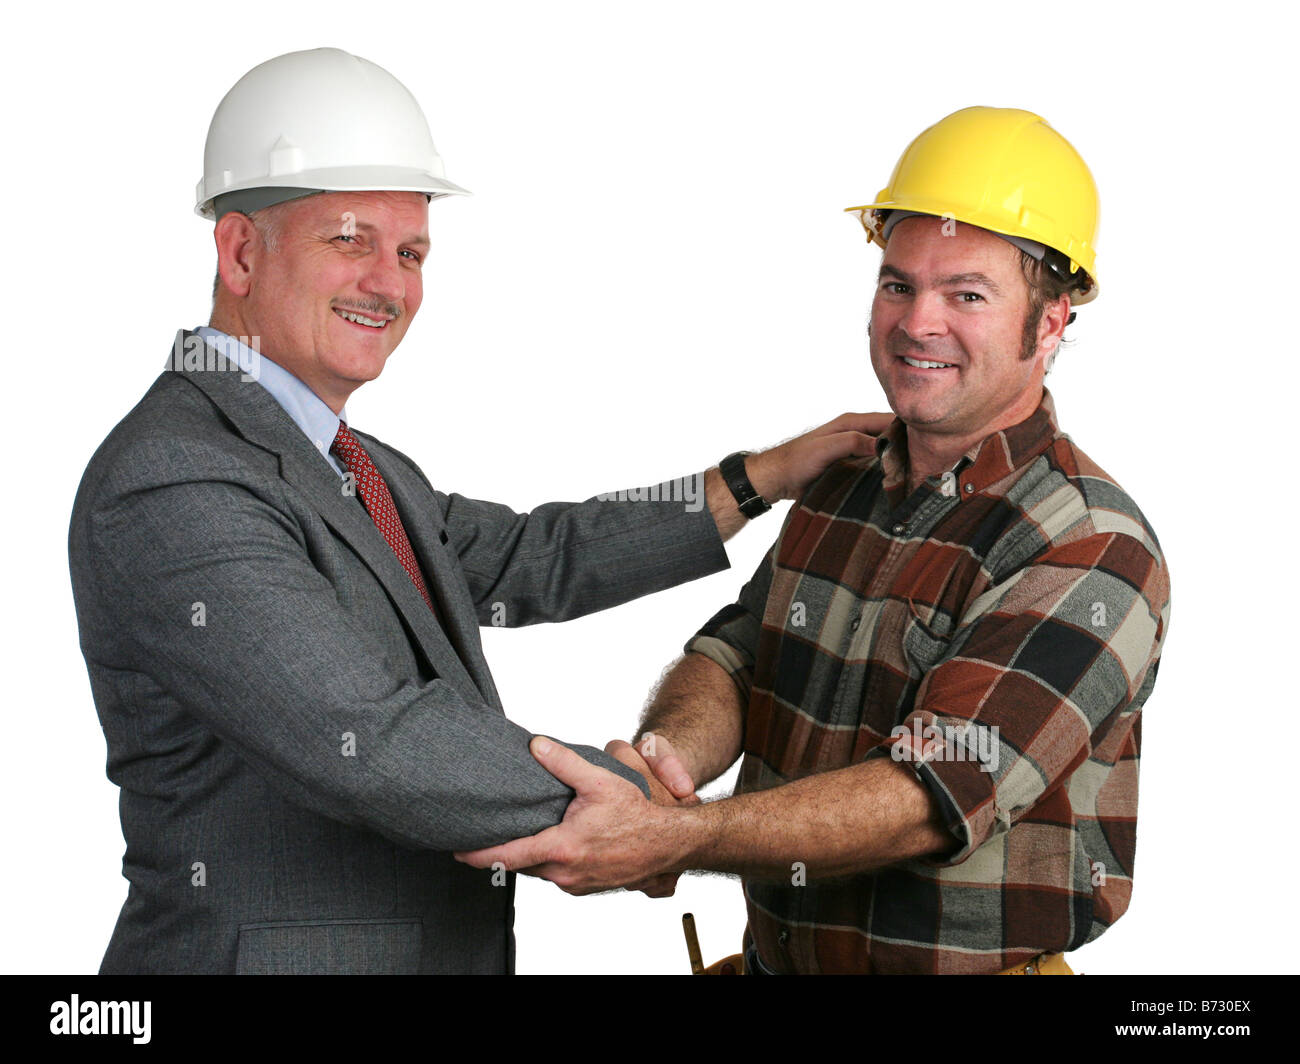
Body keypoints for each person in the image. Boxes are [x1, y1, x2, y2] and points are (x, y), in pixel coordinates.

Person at [66, 47, 885, 975]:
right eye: (351, 239)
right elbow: (374, 740)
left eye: (410, 251)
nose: (390, 283)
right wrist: (647, 816)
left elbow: (531, 554)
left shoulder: (362, 467)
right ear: (242, 249)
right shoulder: (176, 477)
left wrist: (757, 476)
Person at [457, 107, 1172, 976]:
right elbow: (738, 658)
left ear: (1052, 319)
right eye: (898, 284)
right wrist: (666, 763)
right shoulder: (844, 484)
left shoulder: (1090, 546)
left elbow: (929, 796)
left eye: (968, 295)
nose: (918, 323)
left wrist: (673, 838)